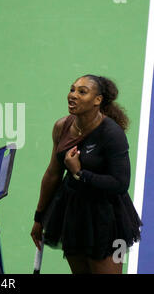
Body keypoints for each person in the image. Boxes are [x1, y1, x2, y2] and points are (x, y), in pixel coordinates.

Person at [30, 75, 142, 274]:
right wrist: (39, 218)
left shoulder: (113, 135)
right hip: (73, 214)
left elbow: (120, 183)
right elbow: (53, 174)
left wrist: (80, 173)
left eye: (82, 92)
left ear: (97, 100)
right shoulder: (61, 127)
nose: (73, 95)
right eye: (72, 89)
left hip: (108, 219)